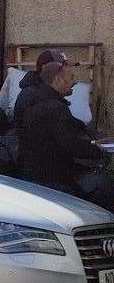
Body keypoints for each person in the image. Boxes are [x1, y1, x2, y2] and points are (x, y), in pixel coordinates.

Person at [15, 59, 112, 205]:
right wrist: (99, 151)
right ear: (59, 80)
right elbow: (70, 145)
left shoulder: (36, 98)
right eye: (71, 77)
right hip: (51, 179)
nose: (74, 82)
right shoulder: (54, 108)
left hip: (31, 172)